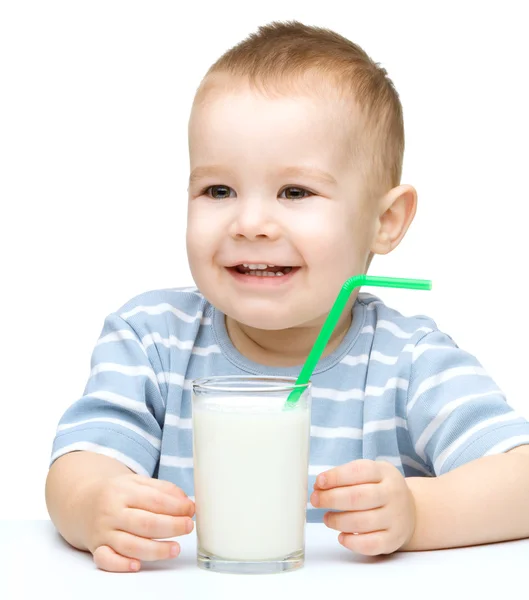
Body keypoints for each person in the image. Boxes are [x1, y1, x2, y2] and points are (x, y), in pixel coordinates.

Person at [45, 20, 529, 573]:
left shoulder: (407, 358)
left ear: (385, 221)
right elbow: (80, 462)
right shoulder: (152, 338)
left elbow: (523, 479)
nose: (250, 223)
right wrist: (93, 505)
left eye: (295, 191)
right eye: (218, 190)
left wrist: (418, 513)